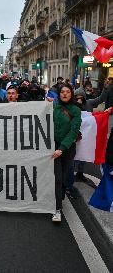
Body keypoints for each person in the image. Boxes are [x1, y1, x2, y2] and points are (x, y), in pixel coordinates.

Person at [52, 83, 81, 222]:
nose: (64, 94)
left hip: (66, 149)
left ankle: (60, 195)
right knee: (57, 178)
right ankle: (57, 209)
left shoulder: (76, 110)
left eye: (67, 92)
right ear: (59, 94)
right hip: (53, 147)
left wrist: (62, 148)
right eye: (62, 92)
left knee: (62, 177)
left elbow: (73, 131)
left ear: (71, 94)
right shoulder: (54, 107)